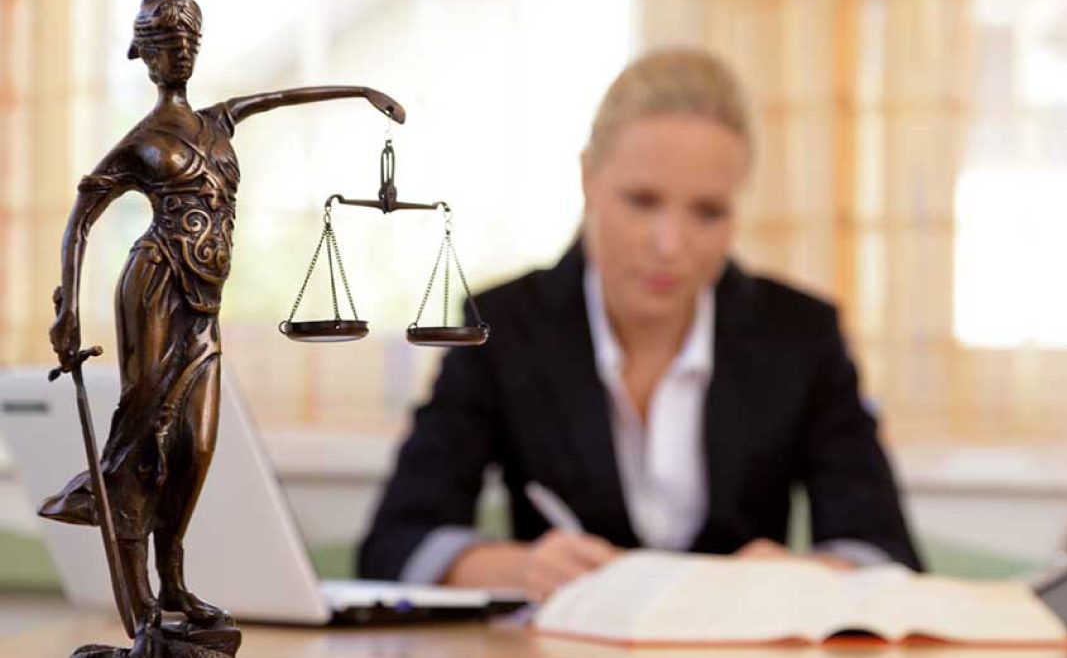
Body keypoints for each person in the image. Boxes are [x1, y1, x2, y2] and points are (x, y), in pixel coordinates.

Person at [359, 48, 921, 601]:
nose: (670, 245)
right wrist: (520, 567)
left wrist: (804, 576)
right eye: (642, 201)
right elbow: (396, 541)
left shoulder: (800, 335)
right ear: (587, 178)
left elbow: (885, 554)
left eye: (708, 212)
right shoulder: (504, 326)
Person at [44, 0, 404, 652]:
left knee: (197, 444)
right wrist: (67, 307)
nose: (179, 53)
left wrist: (359, 91)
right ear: (147, 58)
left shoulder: (220, 120)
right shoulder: (141, 140)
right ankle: (142, 599)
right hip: (153, 284)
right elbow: (82, 215)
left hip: (206, 301)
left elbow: (283, 99)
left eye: (188, 44)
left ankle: (174, 579)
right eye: (167, 44)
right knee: (143, 433)